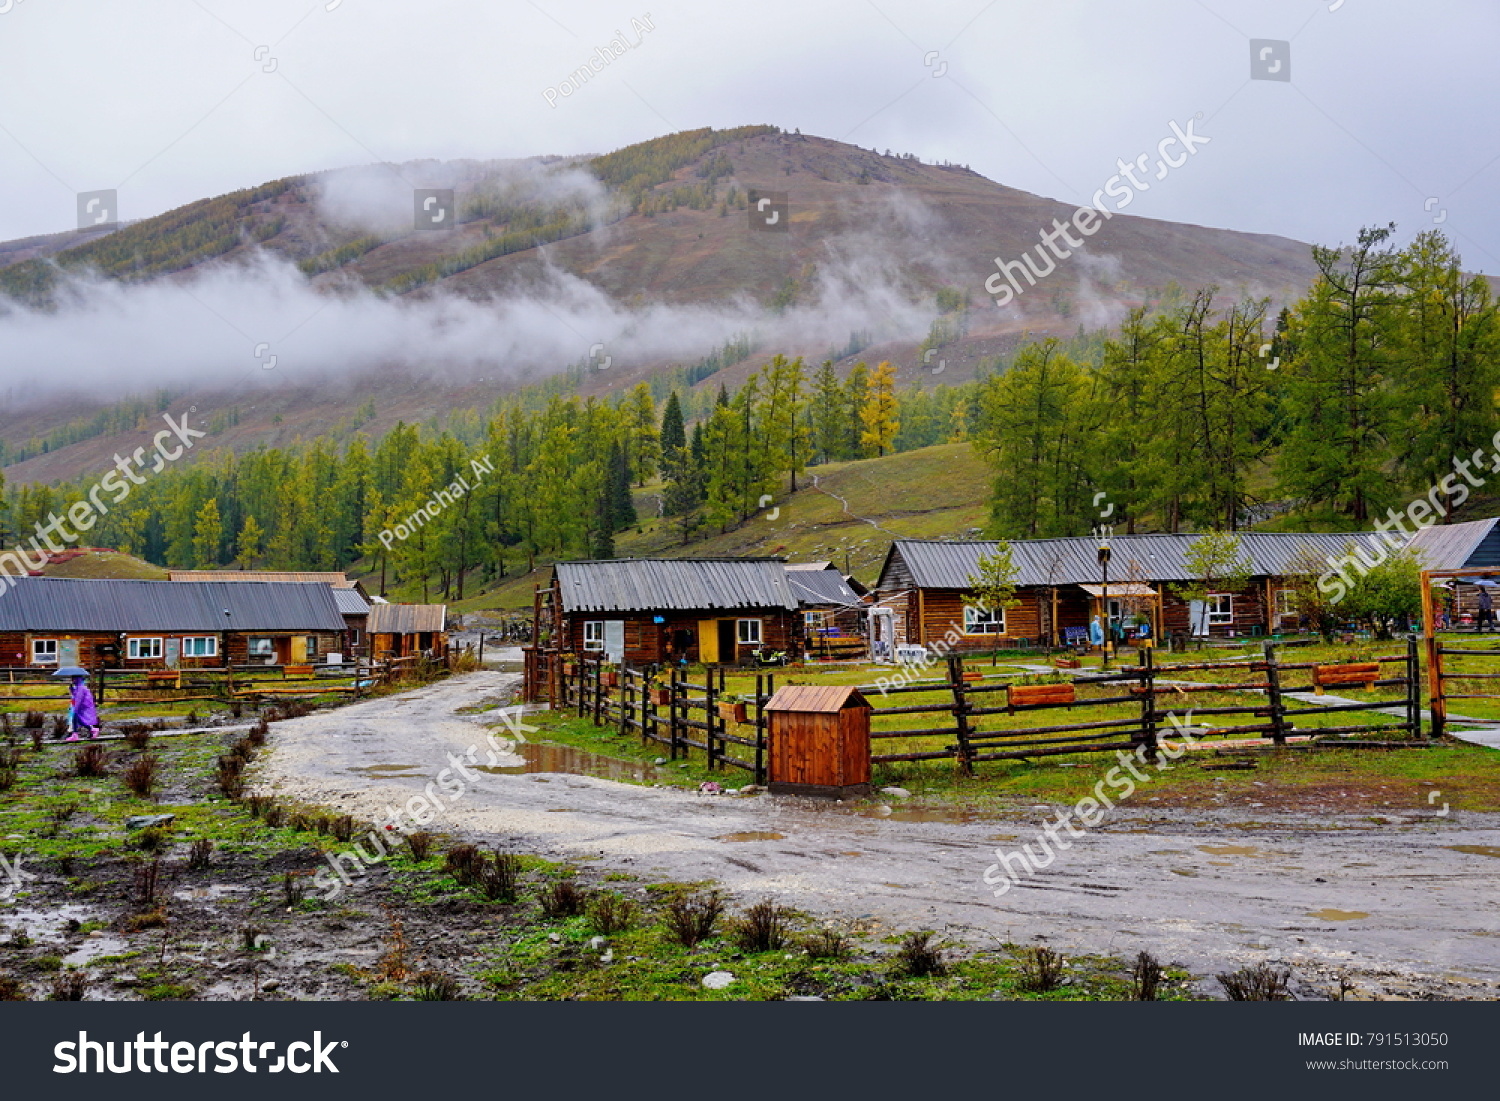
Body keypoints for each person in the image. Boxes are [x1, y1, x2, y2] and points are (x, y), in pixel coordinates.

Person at [65, 674, 100, 742]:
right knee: (78, 720)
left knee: (76, 719)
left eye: (73, 679)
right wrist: (72, 689)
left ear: (77, 679)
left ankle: (75, 735)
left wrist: (75, 708)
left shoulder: (81, 688)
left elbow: (79, 699)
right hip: (82, 706)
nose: (72, 680)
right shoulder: (79, 687)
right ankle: (92, 730)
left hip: (82, 707)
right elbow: (76, 695)